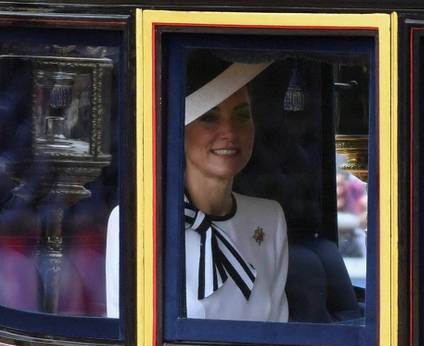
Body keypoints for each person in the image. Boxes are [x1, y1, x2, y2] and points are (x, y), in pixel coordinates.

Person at [106, 53, 288, 322]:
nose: (229, 131)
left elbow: (278, 334)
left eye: (241, 116)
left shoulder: (269, 219)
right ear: (181, 130)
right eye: (209, 117)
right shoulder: (138, 221)